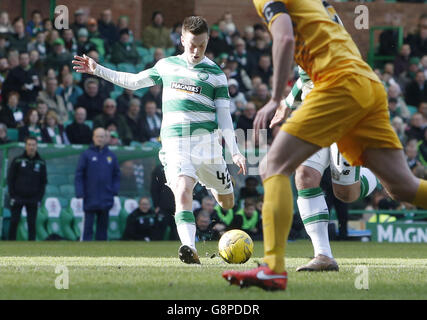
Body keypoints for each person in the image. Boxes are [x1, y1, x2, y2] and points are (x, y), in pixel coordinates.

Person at [223, 0, 427, 291]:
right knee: (403, 187)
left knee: (274, 166)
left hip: (336, 88)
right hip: (365, 84)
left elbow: (284, 38)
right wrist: (289, 100)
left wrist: (274, 98)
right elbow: (314, 59)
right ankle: (323, 255)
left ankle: (273, 268)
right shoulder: (320, 6)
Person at [73, 16, 246, 263]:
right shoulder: (166, 66)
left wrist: (235, 152)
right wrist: (97, 69)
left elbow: (224, 118)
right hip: (175, 144)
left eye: (202, 45)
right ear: (182, 40)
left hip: (206, 147)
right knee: (183, 191)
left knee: (226, 203)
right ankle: (190, 247)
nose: (197, 51)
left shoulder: (216, 75)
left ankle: (216, 186)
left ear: (208, 42)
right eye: (192, 44)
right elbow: (133, 82)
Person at [75, 127, 120, 241]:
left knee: (103, 229)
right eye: (97, 136)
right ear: (93, 138)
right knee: (88, 227)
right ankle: (86, 251)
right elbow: (79, 175)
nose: (100, 139)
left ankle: (102, 253)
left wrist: (114, 190)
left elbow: (116, 175)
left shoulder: (111, 156)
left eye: (102, 136)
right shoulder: (86, 155)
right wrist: (80, 193)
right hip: (90, 197)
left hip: (106, 197)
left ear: (106, 138)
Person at [7, 136, 47, 240]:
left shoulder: (41, 162)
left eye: (33, 145)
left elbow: (43, 182)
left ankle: (31, 247)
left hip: (33, 198)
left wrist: (39, 198)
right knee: (14, 221)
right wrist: (12, 195)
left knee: (32, 223)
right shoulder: (17, 160)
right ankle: (10, 245)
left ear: (37, 146)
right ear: (25, 146)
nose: (31, 147)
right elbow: (11, 179)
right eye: (29, 145)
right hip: (18, 196)